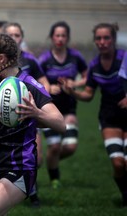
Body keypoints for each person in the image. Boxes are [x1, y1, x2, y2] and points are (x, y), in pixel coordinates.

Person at [0, 33, 65, 215]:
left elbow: (61, 124)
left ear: (1, 58)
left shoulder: (29, 85)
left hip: (20, 165)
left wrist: (36, 113)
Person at [60, 23, 127, 207]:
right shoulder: (95, 65)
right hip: (109, 117)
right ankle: (125, 195)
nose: (102, 42)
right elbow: (89, 94)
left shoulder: (124, 58)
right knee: (118, 164)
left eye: (106, 38)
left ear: (113, 39)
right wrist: (72, 91)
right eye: (98, 38)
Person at [2, 21, 50, 206]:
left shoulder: (30, 60)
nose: (14, 38)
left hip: (27, 114)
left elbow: (43, 80)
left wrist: (40, 96)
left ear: (22, 37)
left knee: (36, 159)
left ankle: (30, 187)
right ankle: (28, 193)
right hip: (5, 118)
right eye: (10, 35)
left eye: (17, 35)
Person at [38, 21, 88, 189]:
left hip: (69, 108)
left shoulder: (76, 56)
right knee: (53, 147)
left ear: (67, 38)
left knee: (71, 147)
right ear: (52, 37)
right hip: (49, 108)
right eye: (57, 35)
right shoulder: (44, 59)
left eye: (63, 35)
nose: (60, 38)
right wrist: (48, 86)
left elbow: (88, 77)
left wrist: (75, 83)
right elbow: (36, 81)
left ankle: (51, 162)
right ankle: (54, 179)